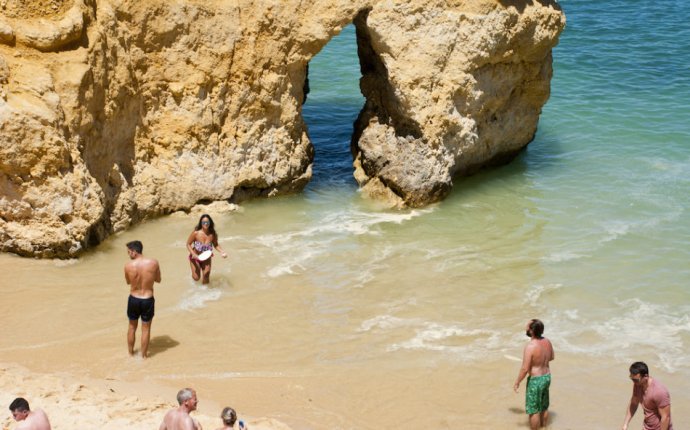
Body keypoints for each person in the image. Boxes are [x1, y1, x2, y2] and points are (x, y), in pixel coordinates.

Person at [513, 318, 555, 430]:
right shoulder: (547, 341)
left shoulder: (530, 346)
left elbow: (525, 369)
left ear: (531, 331)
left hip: (536, 380)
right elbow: (551, 357)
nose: (525, 328)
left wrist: (517, 382)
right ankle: (544, 427)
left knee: (533, 410)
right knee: (544, 406)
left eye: (527, 326)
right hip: (547, 377)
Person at [124, 240, 161, 358]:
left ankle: (130, 354)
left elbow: (128, 282)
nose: (128, 255)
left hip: (133, 298)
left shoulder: (128, 266)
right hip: (147, 299)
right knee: (145, 329)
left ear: (135, 252)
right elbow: (158, 279)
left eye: (129, 252)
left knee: (131, 326)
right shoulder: (153, 263)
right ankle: (144, 357)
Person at [621, 361, 673, 430]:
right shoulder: (638, 384)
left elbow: (666, 417)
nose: (634, 382)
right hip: (647, 427)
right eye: (632, 379)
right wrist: (625, 424)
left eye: (636, 380)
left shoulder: (659, 392)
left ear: (646, 376)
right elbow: (634, 403)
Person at [186, 214, 227, 284]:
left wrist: (222, 252)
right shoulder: (196, 233)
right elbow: (188, 244)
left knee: (206, 275)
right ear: (201, 223)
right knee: (196, 278)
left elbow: (216, 244)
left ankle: (205, 292)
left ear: (210, 223)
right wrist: (193, 254)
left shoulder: (212, 234)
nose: (205, 224)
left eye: (207, 222)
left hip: (206, 257)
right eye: (203, 222)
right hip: (195, 257)